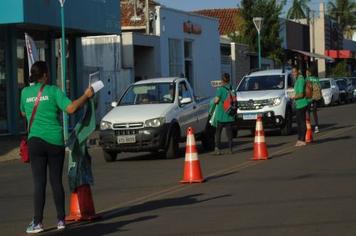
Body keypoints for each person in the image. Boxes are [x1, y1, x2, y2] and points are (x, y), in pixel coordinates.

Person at [20, 61, 94, 234]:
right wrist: (86, 95)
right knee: (55, 181)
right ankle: (61, 220)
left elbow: (24, 112)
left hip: (35, 142)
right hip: (54, 141)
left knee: (39, 183)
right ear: (45, 75)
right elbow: (71, 108)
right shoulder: (53, 91)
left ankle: (37, 223)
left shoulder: (24, 92)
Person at [213, 73, 235, 155]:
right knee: (229, 133)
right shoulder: (232, 88)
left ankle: (217, 149)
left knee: (218, 132)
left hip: (221, 115)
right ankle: (230, 149)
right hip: (230, 114)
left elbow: (216, 101)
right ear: (229, 79)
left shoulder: (220, 89)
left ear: (222, 80)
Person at [290, 67, 308, 147]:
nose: (293, 73)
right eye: (292, 72)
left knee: (301, 122)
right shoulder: (297, 80)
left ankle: (302, 139)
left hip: (302, 104)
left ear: (298, 72)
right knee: (299, 122)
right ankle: (300, 139)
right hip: (299, 104)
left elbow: (300, 94)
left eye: (294, 71)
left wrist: (293, 97)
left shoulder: (300, 80)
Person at [305, 67, 320, 133]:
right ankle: (316, 127)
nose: (306, 73)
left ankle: (309, 127)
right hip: (315, 97)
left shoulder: (307, 79)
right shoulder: (317, 79)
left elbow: (305, 88)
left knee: (307, 112)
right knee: (314, 112)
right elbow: (320, 87)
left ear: (309, 72)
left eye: (307, 72)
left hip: (308, 97)